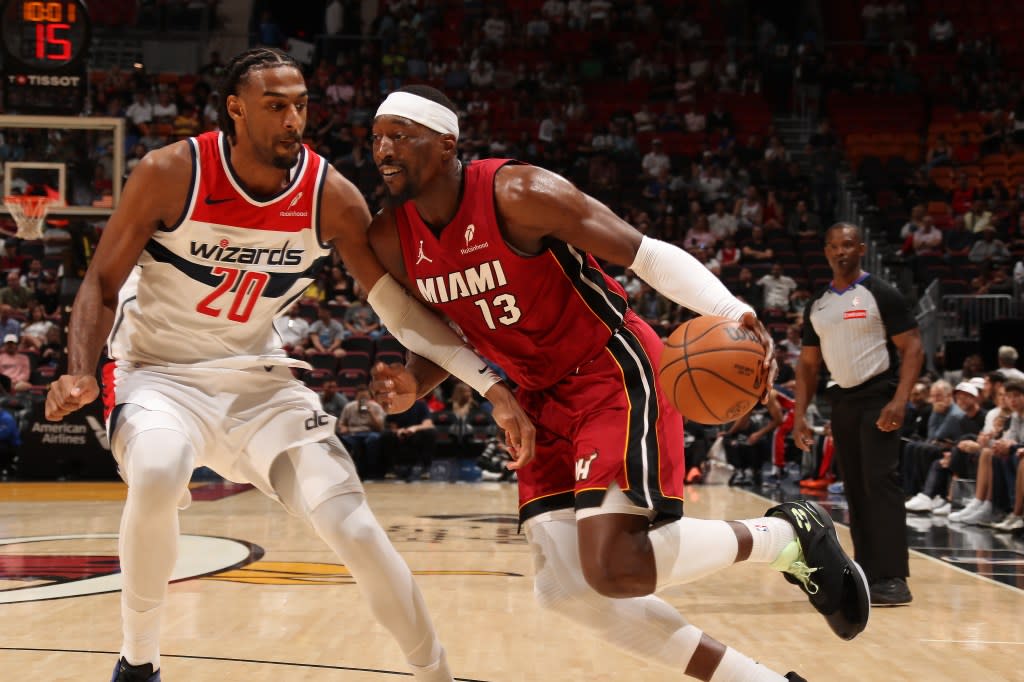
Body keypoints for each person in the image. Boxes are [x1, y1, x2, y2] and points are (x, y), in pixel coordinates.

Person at [44, 48, 536, 682]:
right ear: (236, 109)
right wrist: (79, 368)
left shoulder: (330, 196)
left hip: (258, 382)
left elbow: (400, 311)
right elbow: (101, 283)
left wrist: (490, 386)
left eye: (301, 105)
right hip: (157, 374)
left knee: (353, 525)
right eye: (276, 106)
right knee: (161, 469)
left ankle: (435, 673)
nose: (293, 120)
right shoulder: (171, 172)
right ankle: (139, 662)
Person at [365, 85, 869, 682]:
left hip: (610, 369)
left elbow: (645, 254)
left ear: (447, 142)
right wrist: (412, 379)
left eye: (401, 135)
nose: (384, 150)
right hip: (535, 398)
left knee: (613, 566)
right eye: (376, 138)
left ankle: (788, 531)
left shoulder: (519, 193)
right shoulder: (391, 237)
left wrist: (733, 311)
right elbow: (445, 328)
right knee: (567, 589)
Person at [792, 223, 924, 607]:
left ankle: (895, 577)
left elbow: (913, 348)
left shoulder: (880, 292)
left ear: (861, 248)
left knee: (880, 482)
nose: (840, 252)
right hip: (843, 401)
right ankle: (868, 571)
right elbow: (807, 366)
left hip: (878, 395)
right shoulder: (817, 303)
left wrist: (900, 400)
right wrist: (800, 415)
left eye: (847, 245)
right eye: (833, 246)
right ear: (826, 252)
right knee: (855, 487)